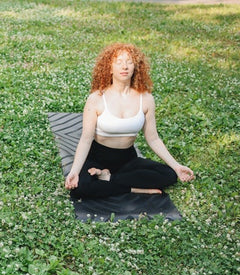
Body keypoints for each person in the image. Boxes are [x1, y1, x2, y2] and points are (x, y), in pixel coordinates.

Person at [65, 43, 194, 199]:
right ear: (110, 68)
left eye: (129, 61)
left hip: (127, 160)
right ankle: (135, 189)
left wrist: (176, 166)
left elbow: (153, 139)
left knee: (169, 175)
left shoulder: (146, 99)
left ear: (135, 67)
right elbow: (86, 139)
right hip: (98, 158)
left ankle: (108, 179)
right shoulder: (97, 99)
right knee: (80, 188)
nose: (124, 66)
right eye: (118, 62)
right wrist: (74, 171)